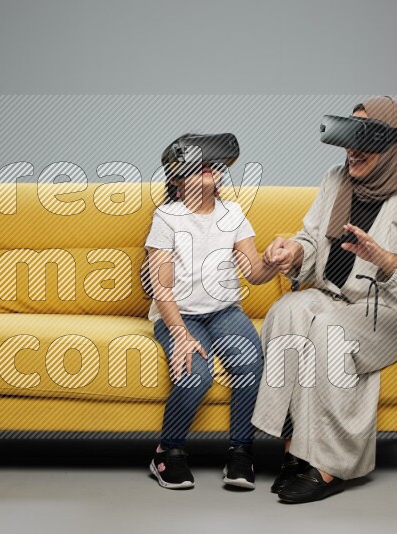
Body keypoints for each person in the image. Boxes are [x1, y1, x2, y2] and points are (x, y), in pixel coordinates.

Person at [252, 97, 397, 503]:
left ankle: (331, 465)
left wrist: (385, 259)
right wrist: (294, 252)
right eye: (349, 135)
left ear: (395, 145)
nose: (352, 149)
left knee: (329, 332)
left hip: (396, 312)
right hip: (338, 297)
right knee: (287, 311)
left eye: (365, 138)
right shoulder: (336, 179)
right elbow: (310, 237)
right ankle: (294, 447)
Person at [144, 134, 280, 490]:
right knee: (195, 374)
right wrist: (181, 335)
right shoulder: (167, 217)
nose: (208, 171)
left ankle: (241, 452)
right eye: (197, 167)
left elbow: (254, 272)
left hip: (224, 312)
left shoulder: (232, 213)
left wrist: (273, 261)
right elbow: (162, 287)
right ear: (176, 180)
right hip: (178, 315)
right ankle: (167, 452)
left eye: (211, 165)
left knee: (251, 363)